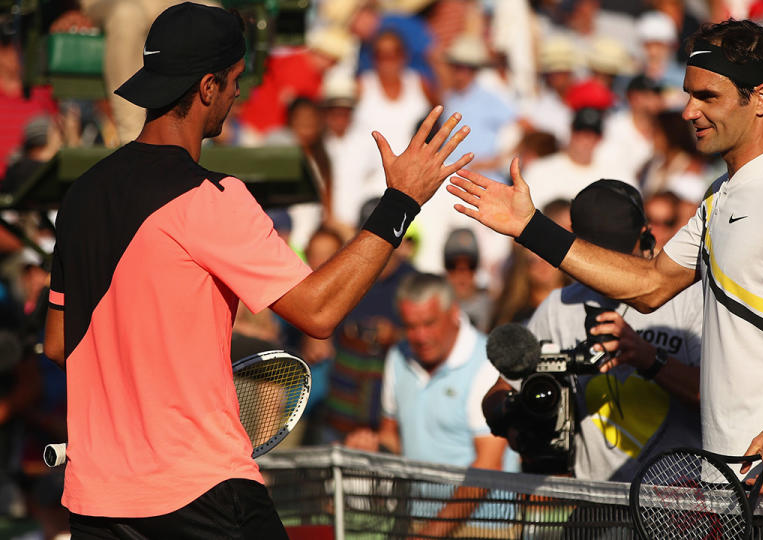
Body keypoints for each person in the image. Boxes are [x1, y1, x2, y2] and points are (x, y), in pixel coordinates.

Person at [42, 3, 474, 537]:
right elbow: (318, 311)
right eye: (234, 81)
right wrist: (401, 202)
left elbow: (60, 344)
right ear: (207, 88)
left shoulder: (81, 197)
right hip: (199, 491)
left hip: (98, 502)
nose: (237, 94)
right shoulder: (212, 198)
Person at [449, 18, 763, 496]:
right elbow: (650, 286)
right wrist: (530, 228)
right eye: (688, 94)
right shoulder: (722, 195)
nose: (687, 111)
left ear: (761, 99)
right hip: (727, 474)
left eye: (707, 96)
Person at [484, 179, 702, 482]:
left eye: (618, 253)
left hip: (676, 505)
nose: (609, 269)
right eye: (597, 253)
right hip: (594, 504)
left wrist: (646, 357)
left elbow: (716, 396)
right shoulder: (559, 304)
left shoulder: (691, 297)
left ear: (645, 236)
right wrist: (515, 418)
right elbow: (501, 390)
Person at [344, 272, 511, 538]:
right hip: (416, 521)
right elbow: (394, 434)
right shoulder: (398, 356)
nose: (420, 336)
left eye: (429, 323)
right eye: (411, 326)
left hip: (484, 526)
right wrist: (371, 446)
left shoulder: (486, 363)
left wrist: (431, 533)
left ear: (453, 312)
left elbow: (489, 465)